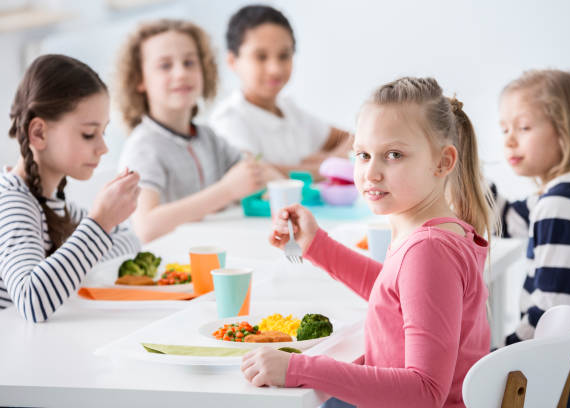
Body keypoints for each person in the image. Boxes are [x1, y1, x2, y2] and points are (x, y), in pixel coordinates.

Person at [241, 77, 495, 407]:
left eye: (393, 154)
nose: (371, 173)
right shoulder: (443, 232)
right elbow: (396, 292)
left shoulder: (429, 250)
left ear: (443, 162)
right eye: (362, 154)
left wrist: (297, 368)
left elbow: (425, 391)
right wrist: (315, 244)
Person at [493, 69, 570, 407]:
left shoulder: (560, 205)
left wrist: (500, 352)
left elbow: (553, 315)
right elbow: (510, 219)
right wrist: (465, 177)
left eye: (524, 127)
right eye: (504, 129)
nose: (509, 140)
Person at [0, 54, 141, 322]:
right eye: (89, 134)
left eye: (104, 132)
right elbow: (31, 301)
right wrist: (99, 223)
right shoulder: (13, 203)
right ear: (39, 133)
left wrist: (83, 248)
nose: (103, 147)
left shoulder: (51, 202)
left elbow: (130, 242)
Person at [116, 19, 281, 243]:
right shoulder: (143, 147)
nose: (181, 73)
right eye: (165, 65)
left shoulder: (207, 137)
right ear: (139, 80)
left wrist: (273, 181)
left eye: (189, 62)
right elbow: (145, 227)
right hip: (170, 266)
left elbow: (252, 170)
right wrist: (227, 191)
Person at [211, 5, 352, 178]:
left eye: (284, 55)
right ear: (233, 61)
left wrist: (326, 159)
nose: (275, 69)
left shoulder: (289, 110)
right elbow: (254, 175)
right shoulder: (228, 119)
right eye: (261, 57)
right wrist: (328, 166)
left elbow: (354, 139)